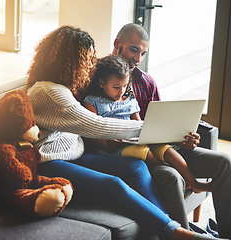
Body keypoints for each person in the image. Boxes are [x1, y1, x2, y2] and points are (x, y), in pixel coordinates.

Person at [26, 25, 221, 240]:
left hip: (75, 156)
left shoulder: (63, 87)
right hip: (50, 162)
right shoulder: (49, 92)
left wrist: (168, 133)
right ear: (69, 60)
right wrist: (157, 129)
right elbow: (96, 125)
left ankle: (169, 227)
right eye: (87, 59)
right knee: (114, 184)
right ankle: (174, 232)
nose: (91, 65)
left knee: (136, 167)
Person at [111, 23, 231, 239]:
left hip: (164, 147)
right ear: (117, 44)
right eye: (133, 49)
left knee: (224, 161)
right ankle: (187, 234)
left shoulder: (147, 82)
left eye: (143, 53)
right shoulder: (98, 79)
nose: (138, 59)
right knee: (172, 175)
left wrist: (183, 138)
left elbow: (161, 125)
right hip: (136, 154)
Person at [83, 55, 212, 194]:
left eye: (124, 86)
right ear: (102, 83)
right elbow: (94, 129)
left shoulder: (129, 100)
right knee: (143, 151)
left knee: (165, 149)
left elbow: (140, 126)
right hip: (111, 147)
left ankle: (194, 182)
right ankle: (177, 175)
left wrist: (150, 136)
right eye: (116, 87)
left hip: (132, 140)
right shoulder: (92, 101)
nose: (121, 91)